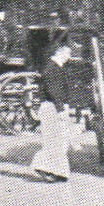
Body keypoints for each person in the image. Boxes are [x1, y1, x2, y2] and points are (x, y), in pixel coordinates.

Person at [29, 42, 74, 181]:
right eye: (67, 53)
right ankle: (43, 167)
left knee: (60, 141)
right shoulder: (52, 68)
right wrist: (60, 109)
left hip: (55, 107)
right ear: (59, 52)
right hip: (52, 108)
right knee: (53, 140)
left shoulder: (56, 67)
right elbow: (54, 92)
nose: (69, 56)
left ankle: (58, 171)